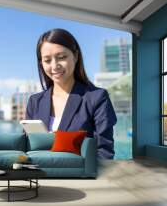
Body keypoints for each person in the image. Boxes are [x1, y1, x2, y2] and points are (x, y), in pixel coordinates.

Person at [26, 28, 117, 159]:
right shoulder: (35, 101)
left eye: (61, 57)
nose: (54, 66)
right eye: (47, 60)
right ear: (41, 64)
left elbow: (103, 153)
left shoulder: (97, 98)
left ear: (75, 56)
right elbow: (27, 147)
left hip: (80, 177)